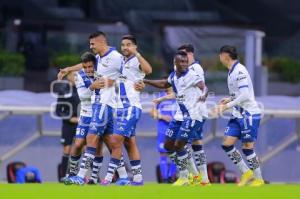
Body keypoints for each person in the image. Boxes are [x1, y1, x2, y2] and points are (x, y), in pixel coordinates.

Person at [144, 51, 208, 186]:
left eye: (186, 61)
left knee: (180, 144)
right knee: (168, 145)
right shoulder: (173, 76)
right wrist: (145, 80)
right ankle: (193, 175)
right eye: (182, 62)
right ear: (175, 63)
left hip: (192, 115)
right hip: (179, 116)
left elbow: (203, 86)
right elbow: (163, 84)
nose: (184, 64)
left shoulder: (192, 75)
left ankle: (188, 176)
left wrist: (204, 94)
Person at [101, 34, 152, 185]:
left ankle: (110, 177)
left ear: (135, 46)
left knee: (115, 140)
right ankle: (138, 178)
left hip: (131, 107)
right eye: (123, 45)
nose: (125, 47)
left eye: (128, 44)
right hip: (120, 109)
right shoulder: (119, 61)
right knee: (130, 143)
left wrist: (137, 53)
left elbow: (148, 70)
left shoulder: (136, 59)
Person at [215, 45, 264, 187]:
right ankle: (246, 173)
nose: (219, 57)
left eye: (220, 55)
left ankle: (258, 179)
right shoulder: (231, 71)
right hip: (238, 114)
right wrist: (229, 99)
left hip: (249, 114)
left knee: (247, 147)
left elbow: (245, 95)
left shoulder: (240, 71)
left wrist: (227, 106)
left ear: (226, 56)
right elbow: (239, 94)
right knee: (226, 144)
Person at [63, 52, 104, 185]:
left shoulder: (102, 72)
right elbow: (83, 96)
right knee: (79, 143)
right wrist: (92, 87)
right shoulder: (79, 76)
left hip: (100, 114)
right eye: (85, 67)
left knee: (97, 146)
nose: (88, 70)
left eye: (90, 67)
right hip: (86, 114)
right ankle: (72, 173)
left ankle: (93, 177)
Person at [56, 71, 80, 182]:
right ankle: (62, 176)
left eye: (77, 75)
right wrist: (70, 118)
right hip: (68, 125)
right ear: (68, 76)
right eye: (74, 75)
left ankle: (85, 176)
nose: (76, 77)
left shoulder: (83, 89)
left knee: (83, 149)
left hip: (81, 124)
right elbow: (58, 110)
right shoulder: (63, 91)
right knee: (67, 149)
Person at [150, 86, 177, 183]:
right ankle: (165, 178)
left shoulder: (179, 96)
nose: (166, 86)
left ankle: (171, 177)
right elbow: (152, 113)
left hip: (176, 129)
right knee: (163, 153)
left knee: (177, 153)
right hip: (162, 129)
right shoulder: (160, 97)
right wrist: (162, 116)